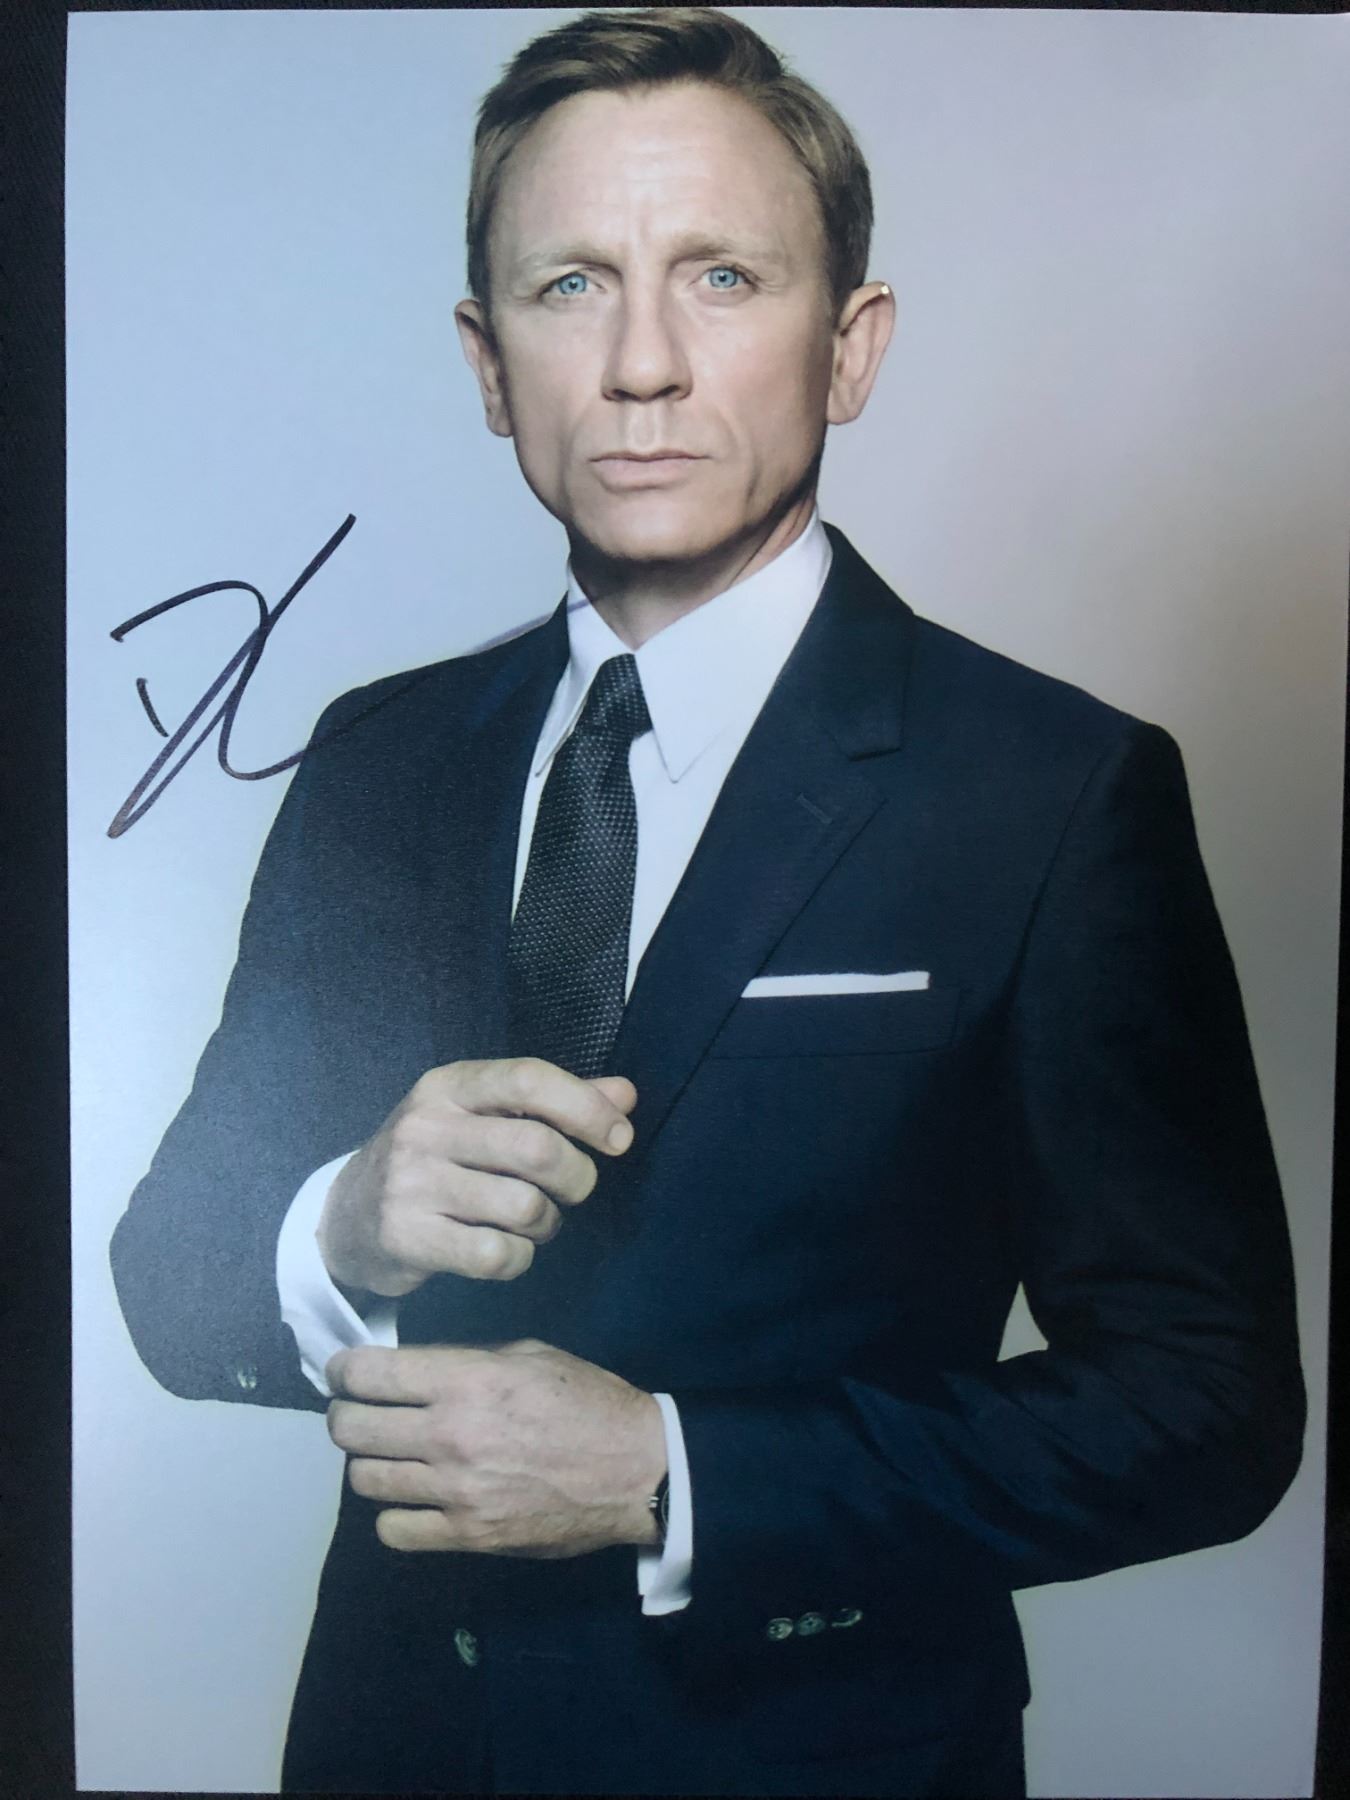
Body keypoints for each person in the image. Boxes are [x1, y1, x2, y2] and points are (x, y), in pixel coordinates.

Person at [109, 10, 1306, 1796]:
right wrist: (337, 1225)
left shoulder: (1052, 791)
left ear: (850, 346)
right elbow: (165, 1283)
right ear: (487, 362)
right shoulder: (375, 762)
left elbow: (1205, 1404)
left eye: (723, 277)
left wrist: (677, 1475)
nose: (643, 365)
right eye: (570, 285)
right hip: (391, 1748)